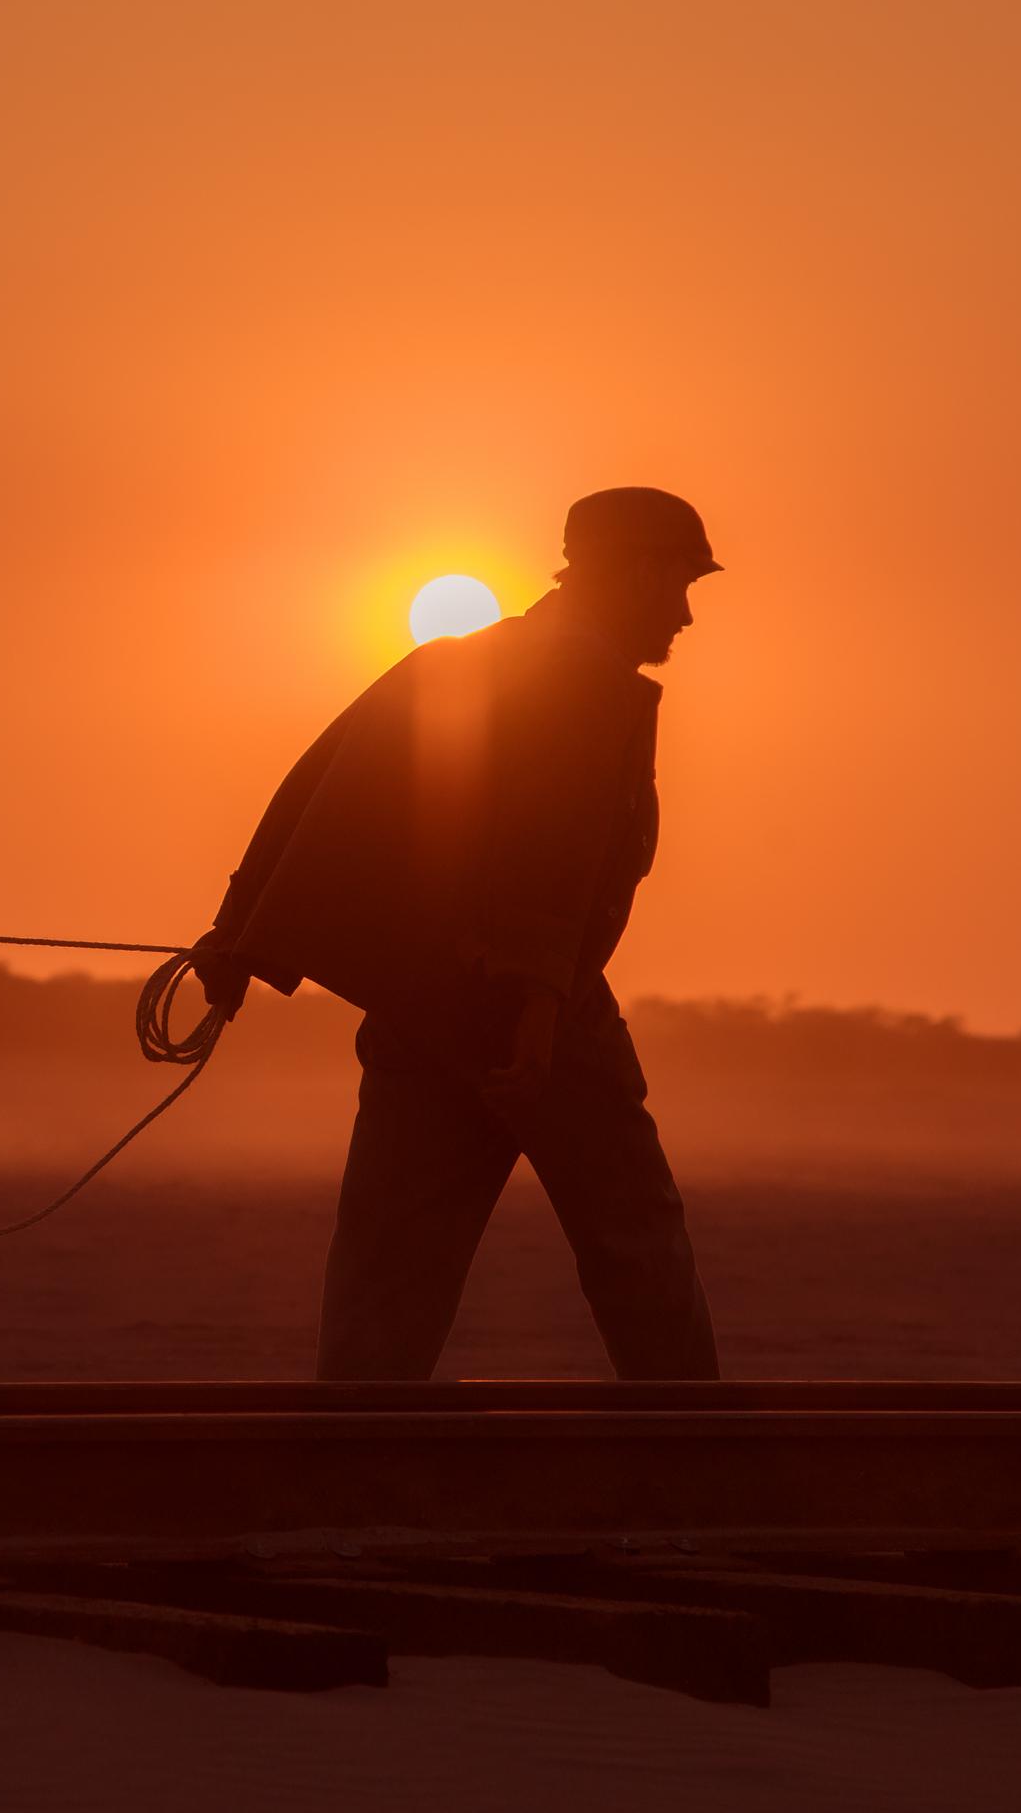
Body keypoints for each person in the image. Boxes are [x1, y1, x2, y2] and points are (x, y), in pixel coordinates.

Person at [192, 487, 723, 1380]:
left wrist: (241, 930)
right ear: (635, 573)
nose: (684, 612)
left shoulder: (464, 662)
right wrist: (537, 1005)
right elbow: (542, 856)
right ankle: (691, 1463)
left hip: (423, 1010)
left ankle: (355, 1471)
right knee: (636, 1244)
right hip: (532, 1025)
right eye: (680, 583)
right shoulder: (582, 688)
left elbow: (324, 785)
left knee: (389, 1270)